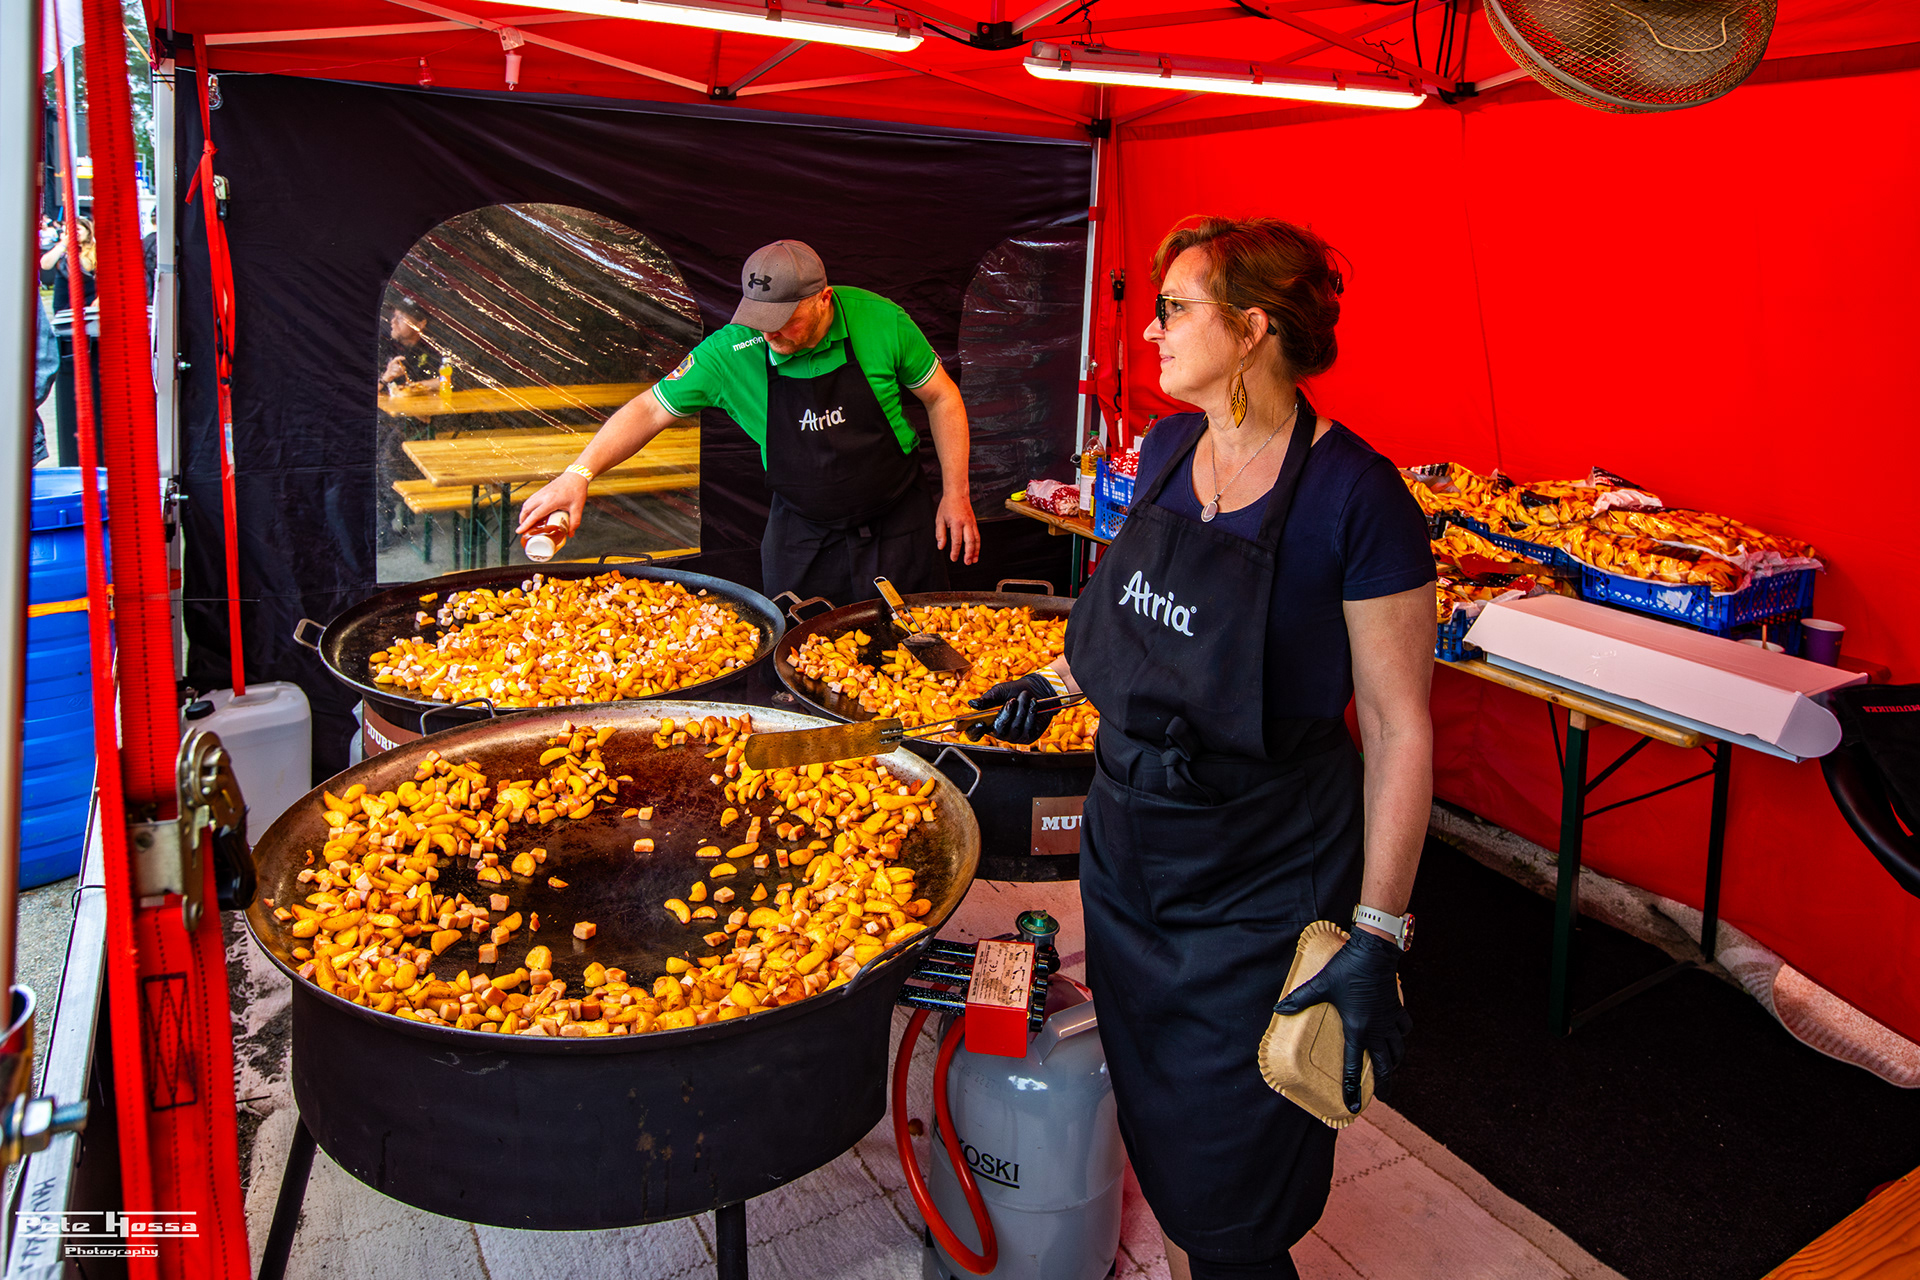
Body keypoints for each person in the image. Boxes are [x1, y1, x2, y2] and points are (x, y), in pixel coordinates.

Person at [972, 217, 1436, 1280]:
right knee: (1161, 1122)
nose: (1150, 331)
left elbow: (1400, 726)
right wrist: (1057, 683)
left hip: (1261, 876)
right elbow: (1143, 615)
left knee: (1233, 1177)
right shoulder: (1170, 450)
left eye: (1173, 309)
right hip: (1133, 860)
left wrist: (1377, 932)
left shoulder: (1357, 497)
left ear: (1251, 328)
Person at [515, 240, 979, 603]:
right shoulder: (731, 350)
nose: (769, 332)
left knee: (916, 647)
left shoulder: (881, 321)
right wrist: (579, 473)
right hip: (803, 533)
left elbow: (941, 397)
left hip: (897, 520)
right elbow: (650, 408)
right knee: (802, 656)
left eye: (785, 318)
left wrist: (956, 493)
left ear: (824, 299)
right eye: (759, 318)